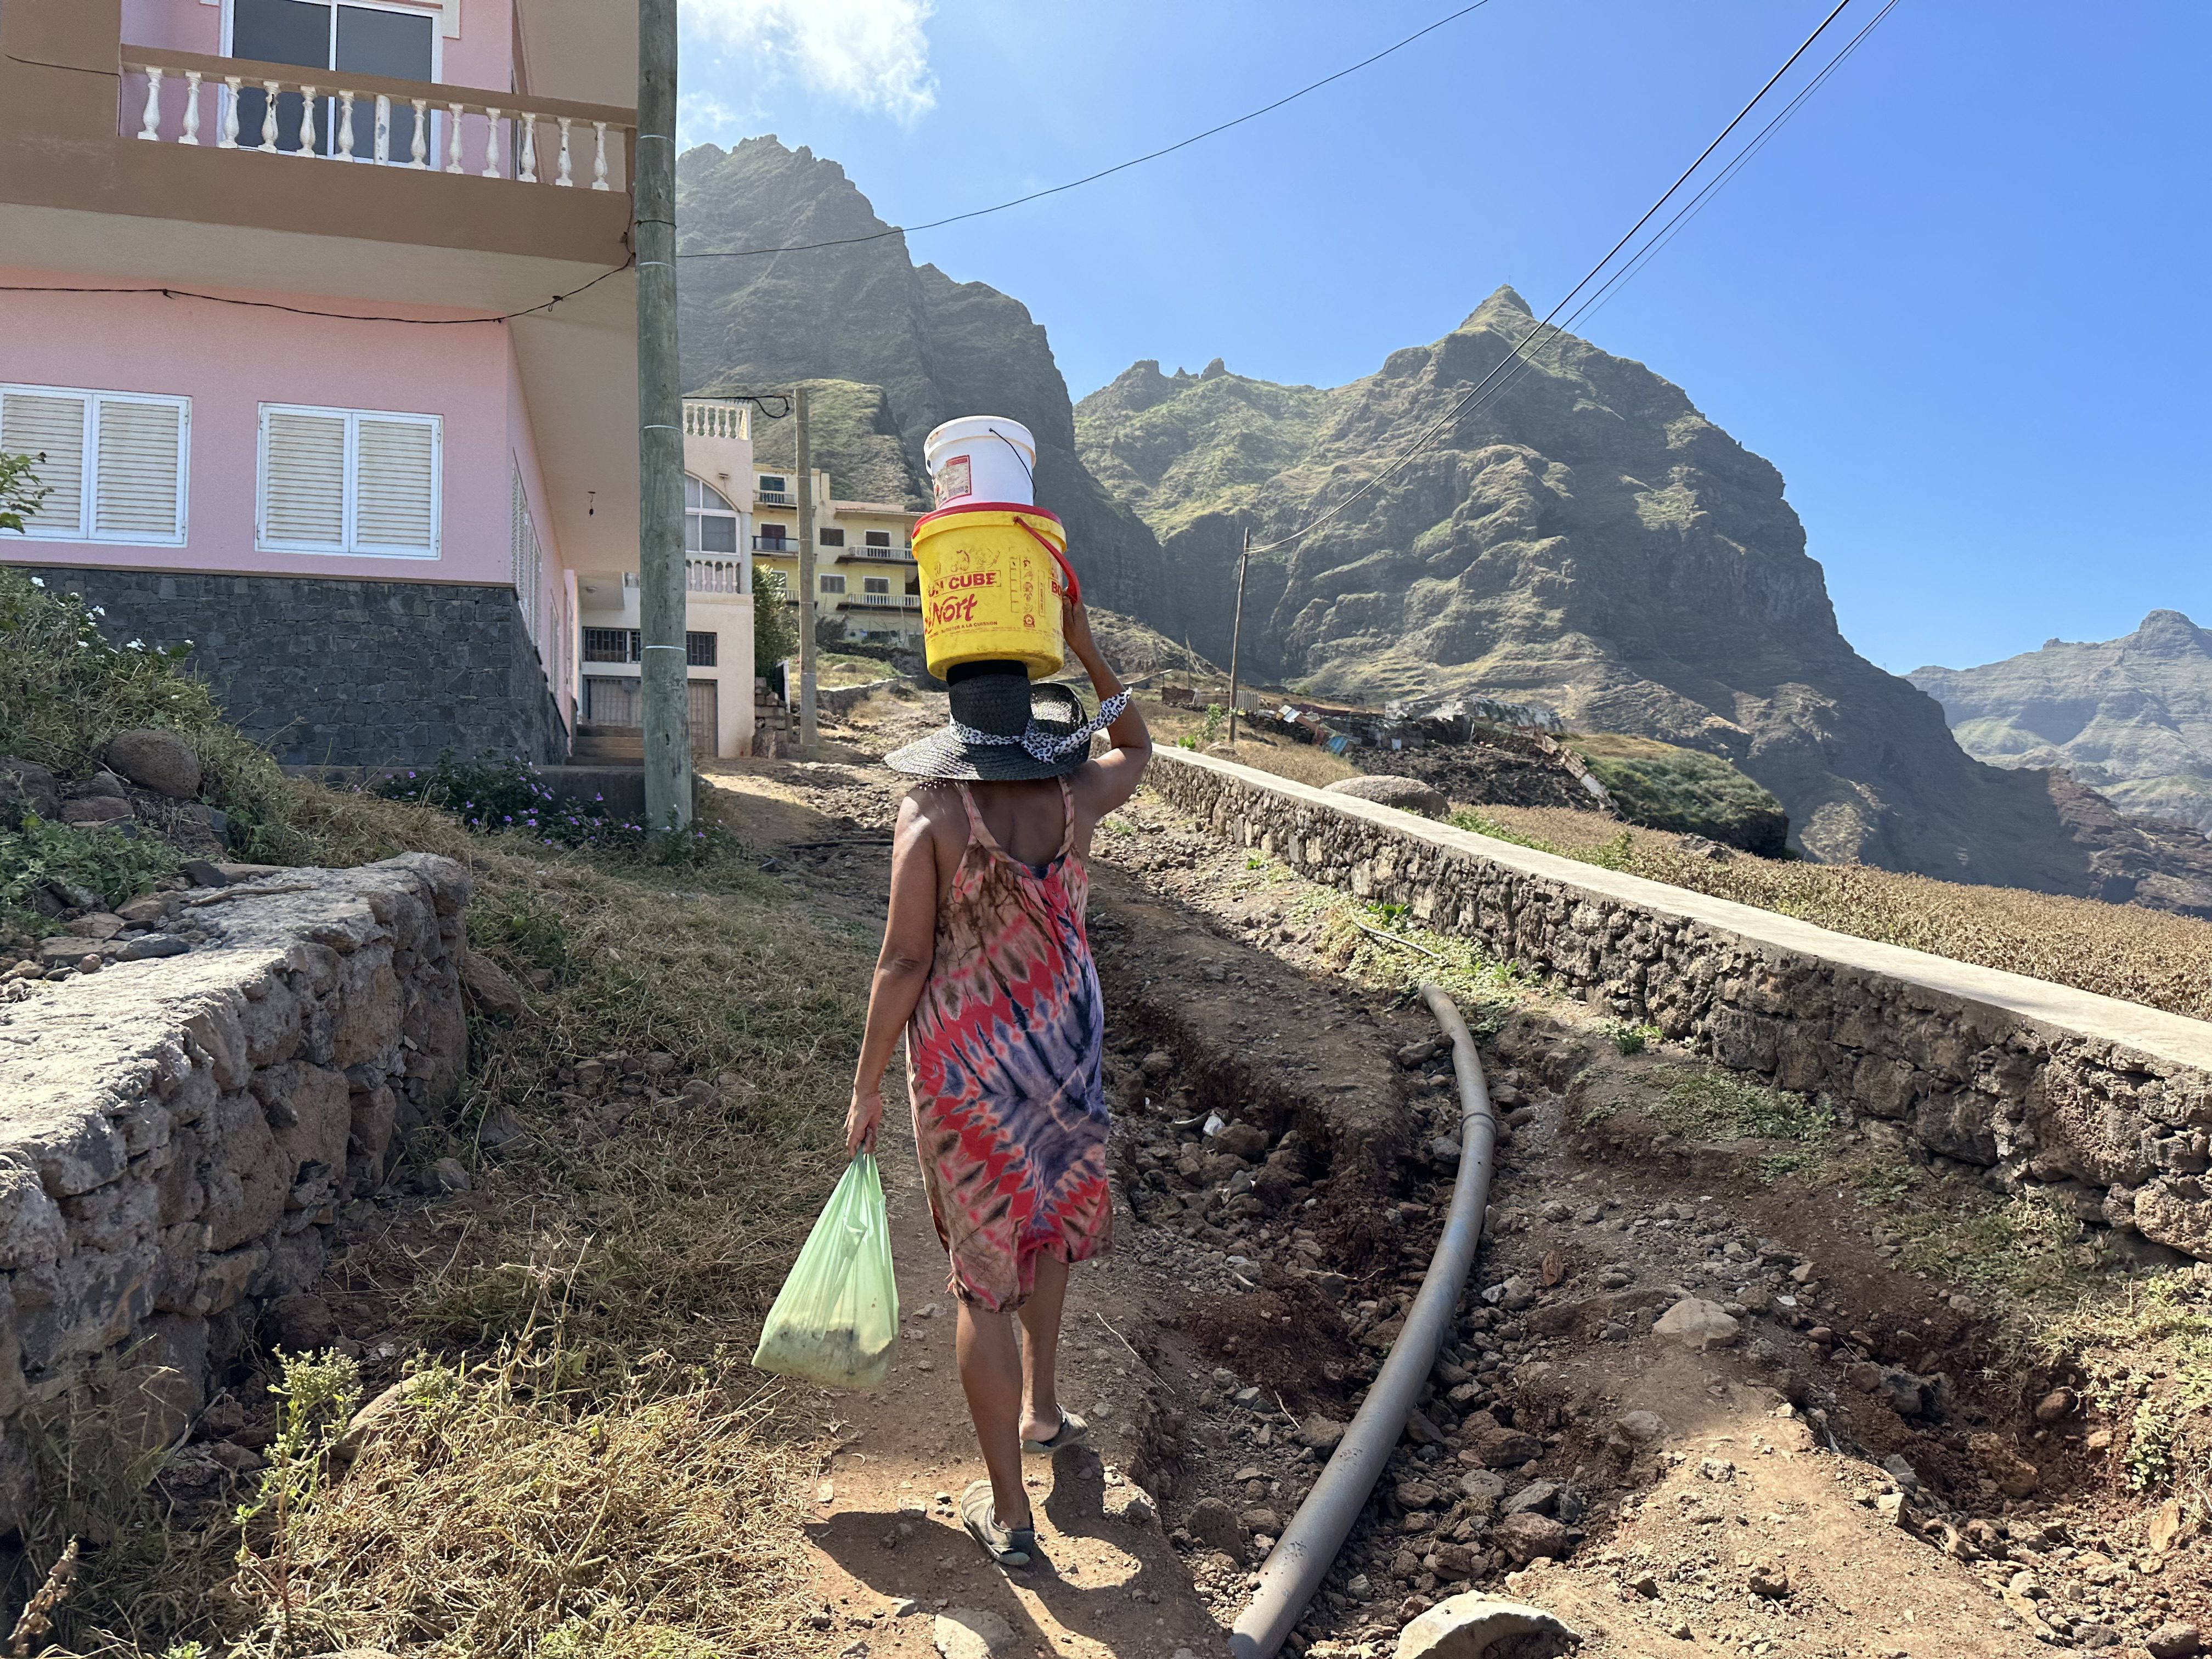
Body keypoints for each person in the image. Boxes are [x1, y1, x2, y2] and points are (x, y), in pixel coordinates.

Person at [845, 595, 1151, 1567]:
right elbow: (1136, 744)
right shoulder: (1074, 794)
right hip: (1064, 1052)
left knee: (985, 1282)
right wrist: (1090, 651)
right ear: (1028, 720)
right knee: (1049, 1229)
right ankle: (1043, 1409)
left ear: (956, 727)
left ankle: (1012, 1518)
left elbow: (904, 961)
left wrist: (865, 1084)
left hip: (969, 1074)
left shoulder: (934, 811)